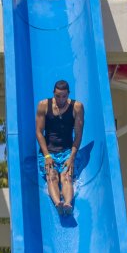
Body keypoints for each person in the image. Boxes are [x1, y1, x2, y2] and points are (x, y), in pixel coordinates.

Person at [35, 80, 84, 211]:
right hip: (48, 151)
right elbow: (39, 132)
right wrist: (46, 155)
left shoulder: (77, 107)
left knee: (67, 177)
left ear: (68, 94)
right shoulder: (44, 105)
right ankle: (58, 203)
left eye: (64, 96)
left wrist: (72, 158)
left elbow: (78, 134)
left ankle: (67, 203)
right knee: (52, 176)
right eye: (57, 96)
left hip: (67, 151)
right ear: (53, 93)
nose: (60, 99)